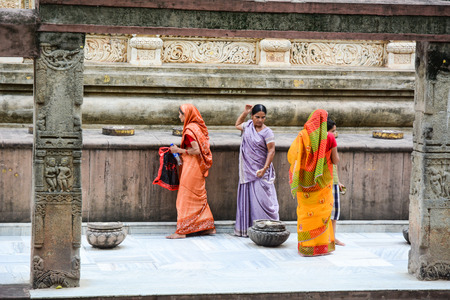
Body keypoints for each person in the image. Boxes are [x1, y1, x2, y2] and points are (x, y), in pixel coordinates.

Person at [287, 109, 339, 256]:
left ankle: (306, 246)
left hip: (304, 183)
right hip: (322, 182)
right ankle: (321, 247)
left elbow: (292, 157)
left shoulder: (302, 135)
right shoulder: (329, 137)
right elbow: (335, 160)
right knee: (322, 214)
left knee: (305, 214)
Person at [167, 103, 215, 239]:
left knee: (185, 197)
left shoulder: (189, 130)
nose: (179, 116)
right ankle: (207, 227)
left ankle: (182, 231)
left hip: (192, 166)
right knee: (198, 195)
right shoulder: (197, 127)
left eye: (180, 114)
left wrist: (178, 150)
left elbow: (196, 150)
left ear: (186, 115)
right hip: (198, 166)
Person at [234, 104, 279, 237]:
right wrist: (245, 112)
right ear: (252, 116)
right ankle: (250, 230)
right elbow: (237, 124)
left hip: (260, 171)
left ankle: (268, 230)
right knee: (249, 199)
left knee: (264, 201)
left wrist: (264, 169)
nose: (260, 120)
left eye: (263, 117)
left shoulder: (267, 132)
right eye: (257, 117)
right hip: (248, 170)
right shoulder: (248, 126)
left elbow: (271, 151)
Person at [327, 118, 346, 246]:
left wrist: (338, 181)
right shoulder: (328, 143)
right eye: (333, 131)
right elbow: (336, 160)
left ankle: (332, 238)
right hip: (326, 182)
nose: (335, 133)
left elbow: (335, 166)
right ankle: (327, 238)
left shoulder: (330, 142)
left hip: (332, 181)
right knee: (328, 213)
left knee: (334, 213)